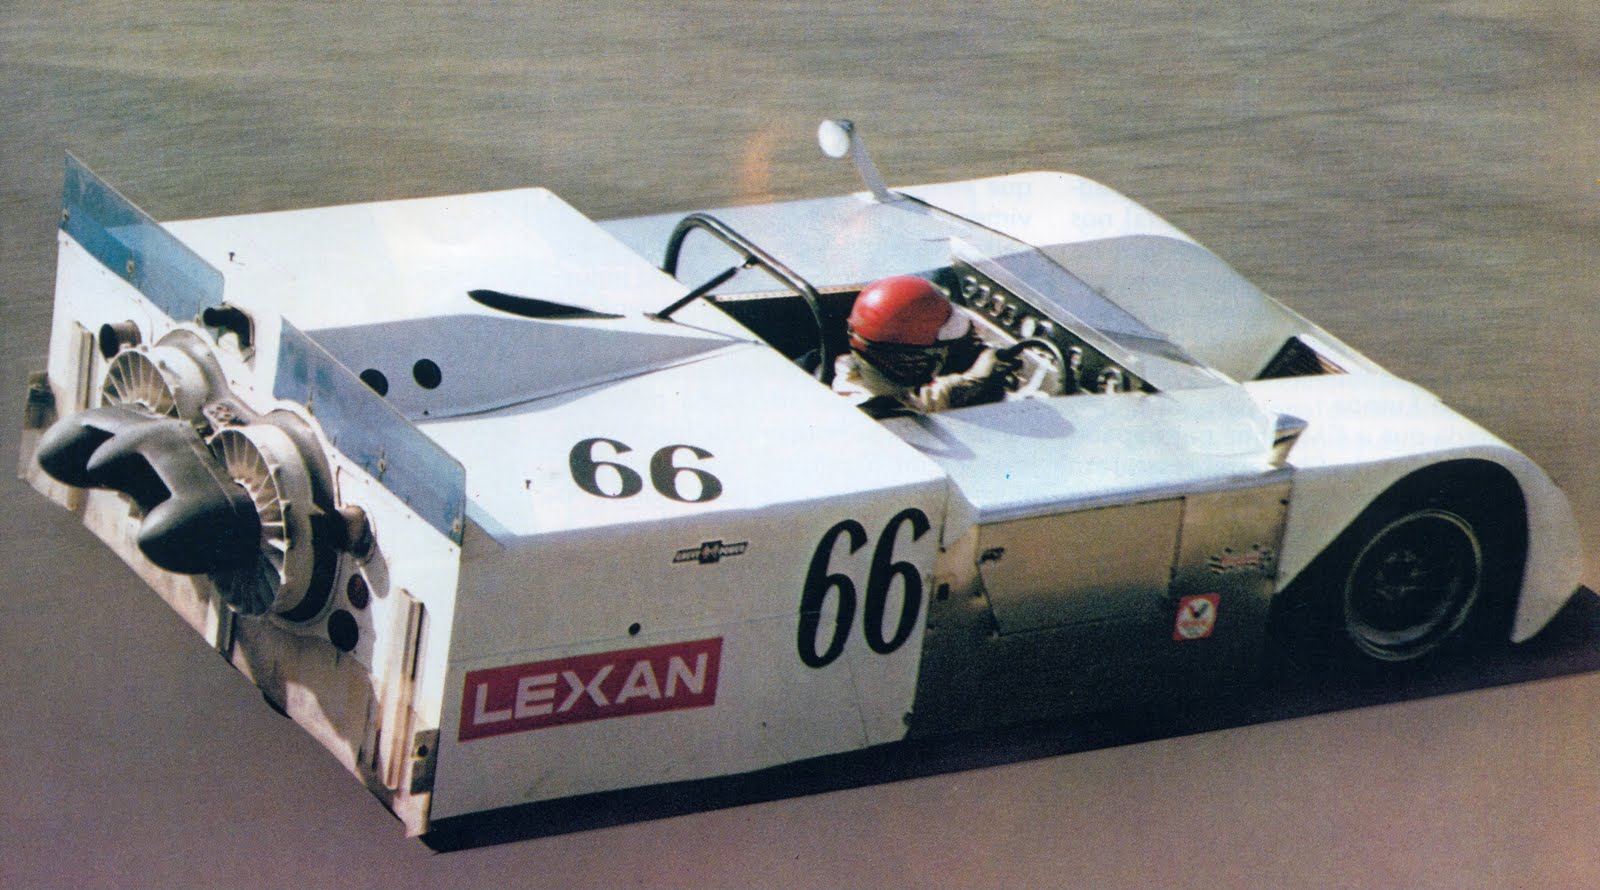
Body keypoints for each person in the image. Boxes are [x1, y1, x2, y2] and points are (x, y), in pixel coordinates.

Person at [833, 275, 1019, 417]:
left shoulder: (849, 378)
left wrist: (961, 386)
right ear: (918, 362)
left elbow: (908, 399)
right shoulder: (887, 419)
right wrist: (973, 381)